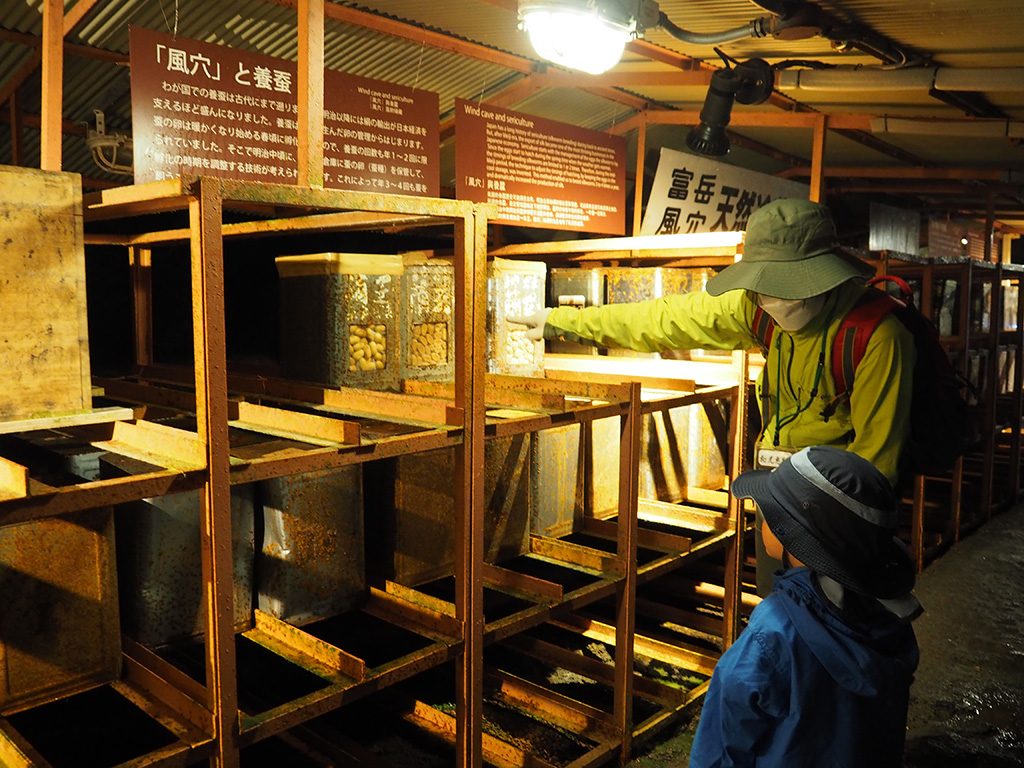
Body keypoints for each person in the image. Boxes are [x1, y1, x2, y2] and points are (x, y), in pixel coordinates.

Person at [513, 198, 915, 594]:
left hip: (836, 529)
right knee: (774, 613)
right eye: (764, 285)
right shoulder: (756, 307)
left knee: (825, 635)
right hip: (779, 500)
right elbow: (661, 320)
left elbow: (875, 472)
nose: (771, 298)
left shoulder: (878, 338)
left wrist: (825, 555)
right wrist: (560, 321)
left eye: (786, 286)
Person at [689, 445, 922, 768]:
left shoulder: (772, 631)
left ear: (792, 536)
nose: (761, 516)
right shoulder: (891, 618)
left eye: (770, 511)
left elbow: (721, 745)